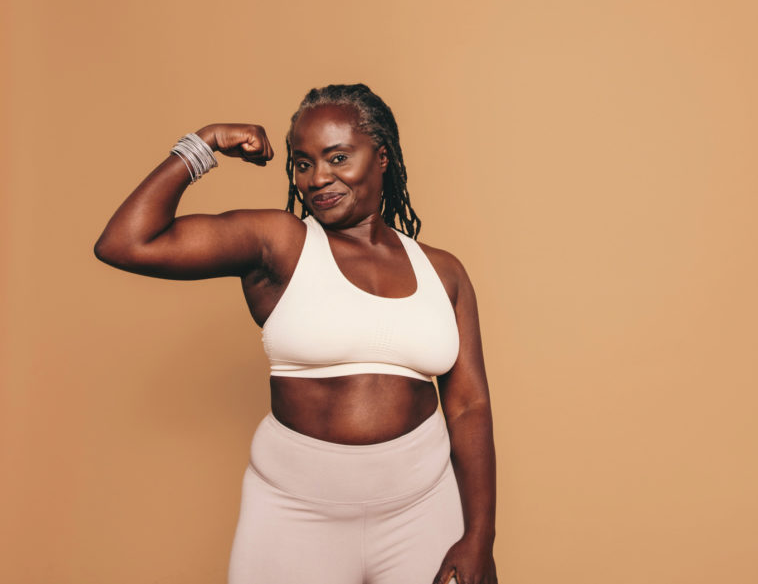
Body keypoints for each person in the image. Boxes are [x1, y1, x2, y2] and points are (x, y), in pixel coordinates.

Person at [94, 84, 498, 584]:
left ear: (382, 157)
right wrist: (204, 143)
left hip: (422, 510)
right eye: (303, 163)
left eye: (338, 157)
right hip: (294, 513)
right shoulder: (281, 243)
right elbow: (125, 242)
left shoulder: (443, 272)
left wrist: (480, 534)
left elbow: (468, 406)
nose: (318, 178)